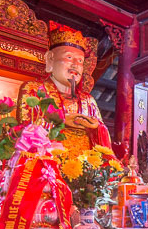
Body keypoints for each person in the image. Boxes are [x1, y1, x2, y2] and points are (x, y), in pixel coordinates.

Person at [17, 21, 112, 152]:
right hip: (48, 165)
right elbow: (25, 131)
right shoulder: (34, 90)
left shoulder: (88, 100)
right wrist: (62, 120)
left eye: (80, 61)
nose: (75, 65)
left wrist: (96, 127)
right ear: (50, 60)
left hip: (86, 165)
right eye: (69, 57)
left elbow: (103, 140)